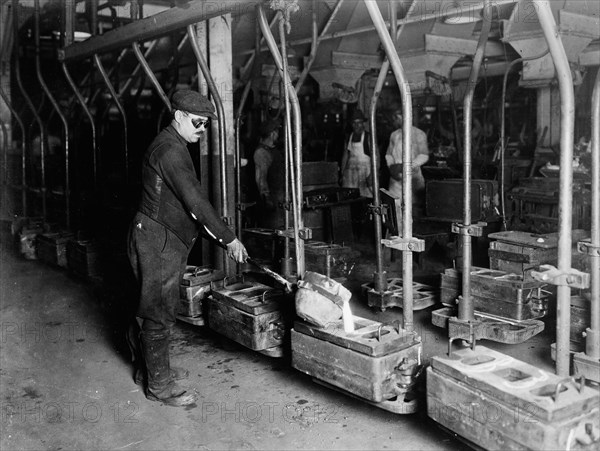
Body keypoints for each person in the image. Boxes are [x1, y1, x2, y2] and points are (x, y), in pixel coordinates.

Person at [127, 89, 248, 407]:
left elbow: (185, 205)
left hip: (156, 235)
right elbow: (195, 202)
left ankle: (149, 370)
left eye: (206, 125)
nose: (201, 129)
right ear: (178, 116)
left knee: (149, 307)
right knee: (158, 312)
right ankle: (160, 386)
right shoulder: (170, 151)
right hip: (159, 241)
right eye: (197, 122)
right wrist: (229, 239)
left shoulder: (173, 144)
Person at [385, 108, 430, 217]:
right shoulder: (394, 135)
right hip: (395, 181)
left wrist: (407, 167)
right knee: (395, 213)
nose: (394, 120)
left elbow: (424, 155)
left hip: (412, 180)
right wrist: (392, 167)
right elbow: (389, 154)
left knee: (412, 213)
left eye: (396, 117)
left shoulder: (419, 134)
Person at [253, 118, 285, 229]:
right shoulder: (261, 152)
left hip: (278, 200)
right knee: (272, 232)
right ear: (272, 134)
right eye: (277, 132)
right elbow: (260, 178)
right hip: (271, 202)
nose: (278, 135)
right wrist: (267, 198)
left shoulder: (273, 150)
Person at [340, 109, 374, 198]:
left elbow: (376, 157)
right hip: (350, 175)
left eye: (359, 122)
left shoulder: (368, 137)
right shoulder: (349, 138)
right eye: (354, 123)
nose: (356, 126)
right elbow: (345, 156)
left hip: (365, 176)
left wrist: (372, 175)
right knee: (350, 200)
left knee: (366, 199)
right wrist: (342, 173)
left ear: (363, 123)